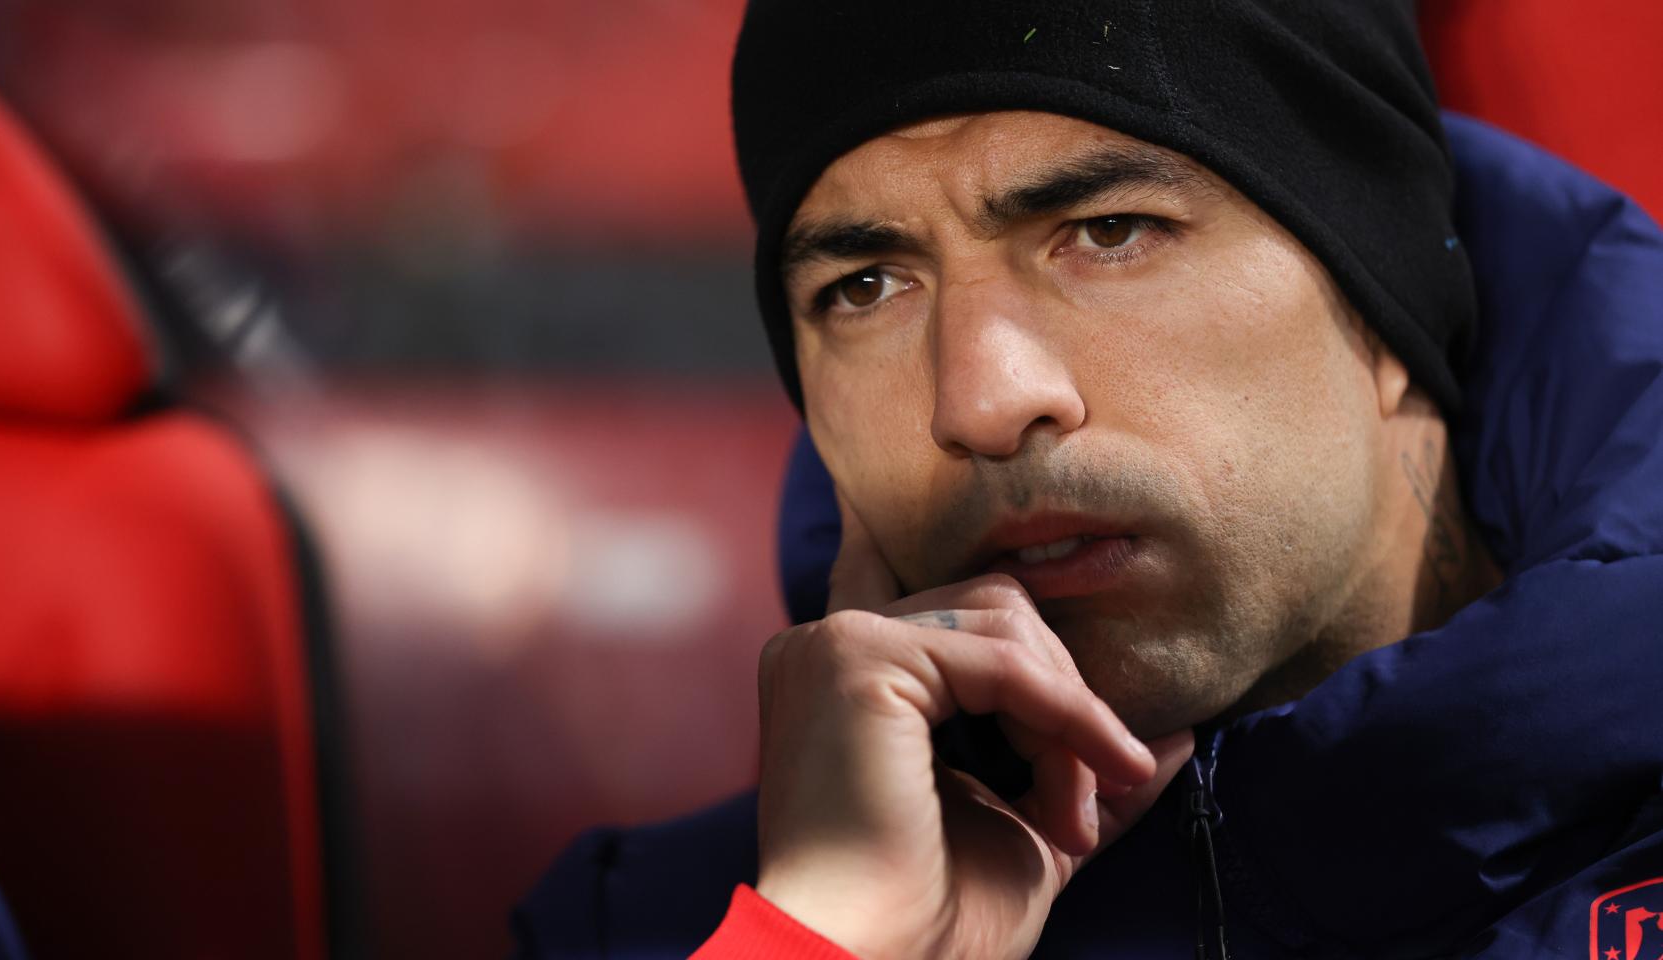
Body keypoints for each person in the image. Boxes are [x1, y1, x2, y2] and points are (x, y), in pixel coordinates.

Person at [516, 1, 1663, 957]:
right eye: (864, 287)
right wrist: (826, 939)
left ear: (1386, 291)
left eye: (1109, 229)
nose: (977, 400)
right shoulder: (656, 929)